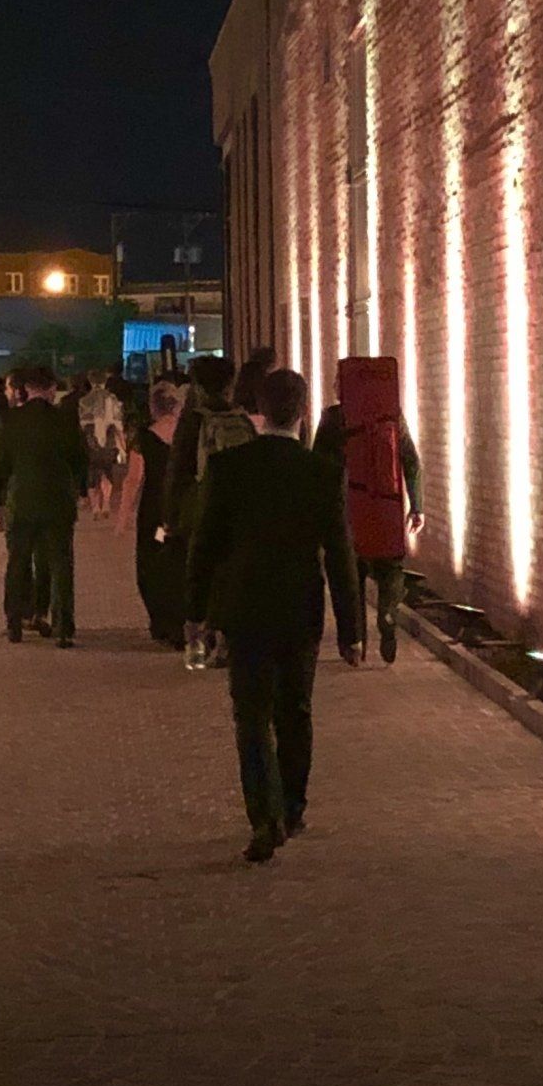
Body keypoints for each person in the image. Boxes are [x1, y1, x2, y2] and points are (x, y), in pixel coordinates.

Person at [187, 366, 361, 863]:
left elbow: (206, 545)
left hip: (243, 607)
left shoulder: (228, 468)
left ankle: (264, 818)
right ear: (303, 412)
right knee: (295, 709)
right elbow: (340, 554)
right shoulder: (322, 473)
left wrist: (195, 611)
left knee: (251, 714)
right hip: (300, 607)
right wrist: (351, 631)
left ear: (258, 412)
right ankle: (293, 804)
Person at [313, 363, 424, 665]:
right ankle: (388, 613)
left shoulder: (333, 418)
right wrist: (417, 505)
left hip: (348, 510)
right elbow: (411, 461)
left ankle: (355, 643)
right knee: (390, 570)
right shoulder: (392, 416)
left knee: (352, 578)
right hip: (386, 507)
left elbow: (319, 467)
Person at [0, 360, 88, 646]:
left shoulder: (9, 421)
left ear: (26, 390)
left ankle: (14, 622)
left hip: (21, 499)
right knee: (60, 564)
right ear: (52, 389)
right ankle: (63, 626)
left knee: (17, 561)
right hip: (58, 501)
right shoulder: (65, 419)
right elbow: (80, 458)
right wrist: (81, 489)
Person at [161, 355, 255, 665]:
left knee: (201, 571)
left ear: (198, 386)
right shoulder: (240, 418)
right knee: (231, 570)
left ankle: (203, 638)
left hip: (200, 507)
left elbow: (178, 469)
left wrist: (171, 516)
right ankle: (230, 638)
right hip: (240, 507)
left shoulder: (193, 420)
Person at [117, 378, 186, 647]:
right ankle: (181, 618)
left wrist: (123, 516)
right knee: (178, 558)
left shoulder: (144, 438)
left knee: (152, 560)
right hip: (179, 508)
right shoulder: (187, 435)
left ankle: (161, 621)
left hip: (154, 512)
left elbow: (134, 479)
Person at [78, 368, 125, 519]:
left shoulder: (84, 400)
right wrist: (123, 445)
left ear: (90, 382)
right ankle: (106, 504)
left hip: (90, 438)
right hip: (109, 436)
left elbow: (82, 424)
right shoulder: (113, 399)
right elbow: (118, 424)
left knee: (92, 473)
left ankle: (95, 508)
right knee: (107, 472)